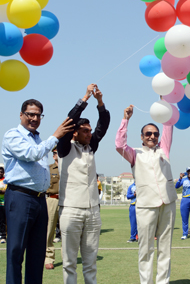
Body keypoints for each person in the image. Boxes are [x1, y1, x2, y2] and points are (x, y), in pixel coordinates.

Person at [2, 99, 73, 284]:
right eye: (30, 114)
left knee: (37, 253)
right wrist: (55, 136)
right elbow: (32, 154)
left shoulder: (38, 139)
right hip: (20, 196)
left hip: (40, 200)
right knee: (16, 251)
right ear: (21, 115)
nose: (34, 118)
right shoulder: (13, 135)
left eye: (38, 115)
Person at [115, 104, 177, 284]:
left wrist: (165, 103)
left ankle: (162, 282)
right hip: (145, 205)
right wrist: (125, 119)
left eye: (155, 134)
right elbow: (119, 145)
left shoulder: (164, 149)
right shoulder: (135, 153)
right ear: (141, 137)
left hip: (168, 203)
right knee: (146, 249)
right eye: (148, 134)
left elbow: (169, 126)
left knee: (165, 248)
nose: (152, 136)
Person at [58, 84, 110, 284]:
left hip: (93, 211)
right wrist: (85, 97)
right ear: (74, 132)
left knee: (90, 262)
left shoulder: (91, 147)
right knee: (70, 262)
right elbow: (70, 119)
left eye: (90, 131)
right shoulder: (64, 147)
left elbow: (103, 125)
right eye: (84, 131)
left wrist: (100, 102)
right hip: (70, 209)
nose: (89, 134)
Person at [45, 147, 60, 270]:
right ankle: (49, 258)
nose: (56, 154)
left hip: (68, 200)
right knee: (49, 230)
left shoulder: (70, 167)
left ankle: (69, 258)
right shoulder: (48, 169)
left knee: (69, 230)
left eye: (58, 152)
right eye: (54, 153)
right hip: (52, 199)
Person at [175, 167, 190, 240]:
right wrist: (180, 178)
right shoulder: (183, 180)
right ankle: (185, 234)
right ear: (186, 172)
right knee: (184, 218)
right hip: (185, 200)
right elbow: (176, 186)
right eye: (188, 171)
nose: (189, 173)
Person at [0, 166, 6, 244]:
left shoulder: (5, 180)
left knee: (3, 220)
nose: (0, 173)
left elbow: (6, 190)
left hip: (3, 203)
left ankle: (3, 236)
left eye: (1, 172)